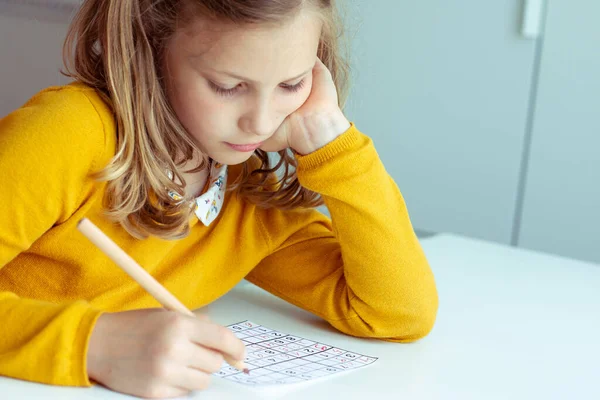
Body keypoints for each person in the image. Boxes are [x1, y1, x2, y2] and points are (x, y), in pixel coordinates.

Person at [0, 0, 438, 398]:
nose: (261, 123)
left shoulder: (246, 193)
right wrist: (91, 345)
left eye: (292, 84)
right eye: (228, 86)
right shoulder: (65, 135)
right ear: (151, 51)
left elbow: (397, 314)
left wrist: (330, 139)